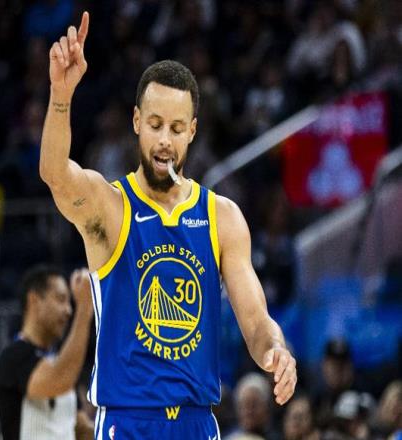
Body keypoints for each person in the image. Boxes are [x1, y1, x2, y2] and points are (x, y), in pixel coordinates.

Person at [40, 12, 297, 439]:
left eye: (177, 129)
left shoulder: (222, 216)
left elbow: (256, 321)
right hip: (127, 422)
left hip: (198, 422)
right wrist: (61, 95)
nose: (164, 140)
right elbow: (54, 173)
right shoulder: (111, 206)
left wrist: (276, 350)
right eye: (155, 125)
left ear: (192, 131)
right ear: (136, 122)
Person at [0, 265, 94, 440]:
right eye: (61, 299)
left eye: (70, 302)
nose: (68, 310)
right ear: (34, 300)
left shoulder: (61, 361)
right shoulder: (13, 357)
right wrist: (85, 308)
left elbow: (82, 427)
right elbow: (59, 379)